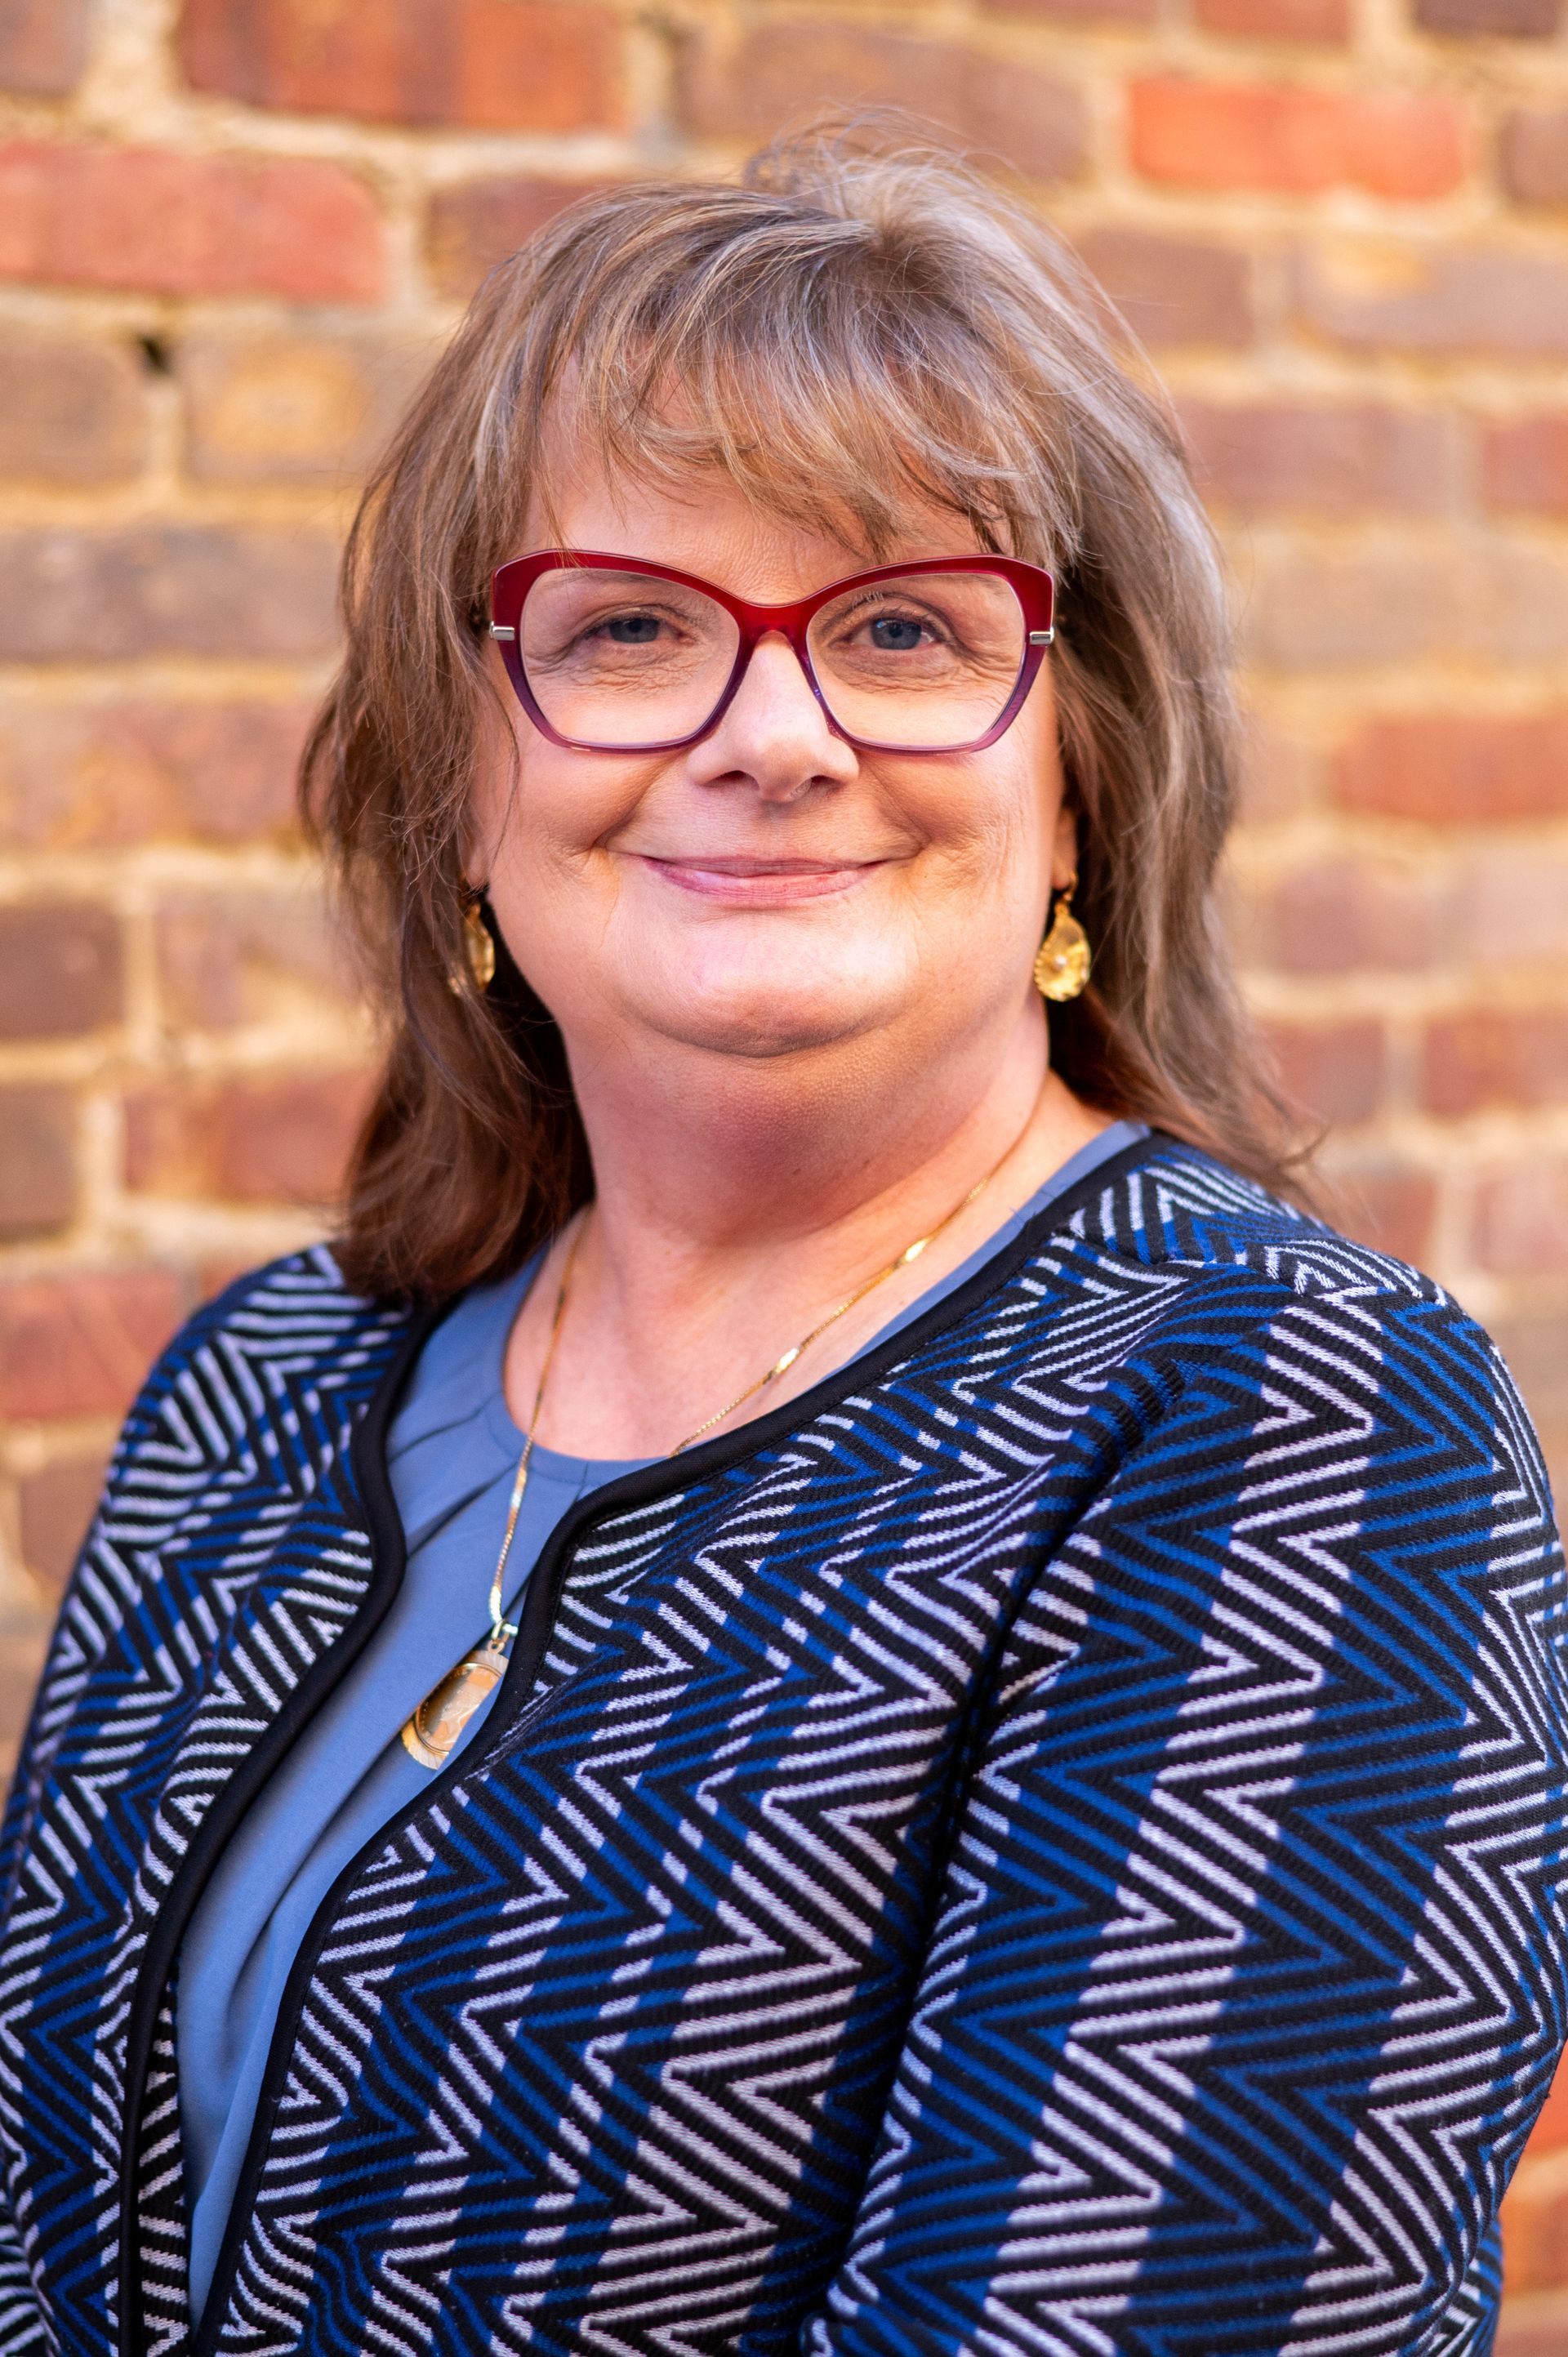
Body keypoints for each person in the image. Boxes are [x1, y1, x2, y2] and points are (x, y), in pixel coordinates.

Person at [0, 120, 1561, 2357]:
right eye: (628, 626)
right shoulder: (268, 1383)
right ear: (463, 775)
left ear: (1080, 779)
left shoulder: (1279, 1423)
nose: (774, 733)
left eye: (907, 628)